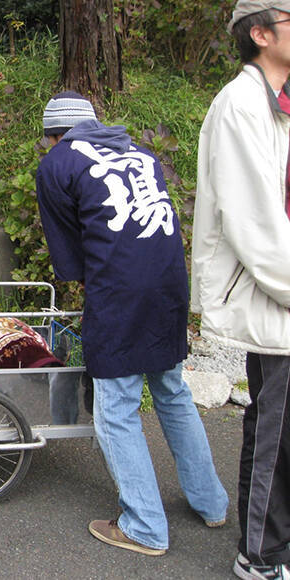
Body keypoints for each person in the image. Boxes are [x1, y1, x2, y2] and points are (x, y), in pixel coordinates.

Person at [35, 92, 228, 557]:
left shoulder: (58, 163)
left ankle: (143, 526)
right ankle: (211, 503)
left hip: (120, 291)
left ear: (54, 136)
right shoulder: (140, 153)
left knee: (116, 408)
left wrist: (88, 292)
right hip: (168, 284)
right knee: (172, 390)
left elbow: (70, 252)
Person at [193, 2, 290, 577]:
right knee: (278, 436)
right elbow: (255, 226)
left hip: (277, 291)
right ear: (260, 33)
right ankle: (261, 556)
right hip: (270, 293)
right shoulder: (240, 105)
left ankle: (270, 548)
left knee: (276, 426)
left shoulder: (277, 104)